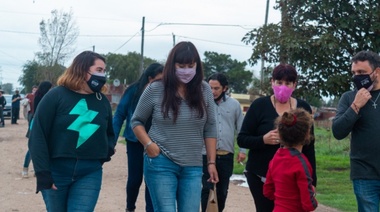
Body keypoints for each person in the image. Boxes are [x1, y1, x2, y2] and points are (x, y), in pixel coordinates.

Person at [131, 41, 219, 211]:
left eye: (190, 65)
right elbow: (136, 121)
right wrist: (149, 145)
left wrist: (211, 162)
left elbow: (210, 127)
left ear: (197, 66)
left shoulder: (204, 90)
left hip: (193, 165)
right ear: (172, 65)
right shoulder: (156, 88)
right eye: (181, 65)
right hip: (160, 162)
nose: (186, 70)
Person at [28, 51, 116, 211]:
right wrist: (42, 173)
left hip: (90, 172)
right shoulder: (55, 96)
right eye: (99, 70)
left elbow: (110, 132)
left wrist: (104, 154)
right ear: (82, 70)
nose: (103, 75)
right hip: (56, 171)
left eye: (104, 71)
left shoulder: (102, 101)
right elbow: (38, 135)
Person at [237, 63, 317, 212]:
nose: (283, 86)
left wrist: (313, 182)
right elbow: (242, 139)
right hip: (261, 176)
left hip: (293, 178)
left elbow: (310, 146)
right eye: (279, 82)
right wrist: (262, 140)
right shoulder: (259, 106)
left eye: (288, 83)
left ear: (295, 85)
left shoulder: (303, 108)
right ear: (272, 82)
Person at [332, 50, 380, 212]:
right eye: (354, 73)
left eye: (362, 72)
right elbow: (338, 132)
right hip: (364, 173)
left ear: (377, 72)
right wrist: (356, 106)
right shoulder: (348, 97)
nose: (357, 77)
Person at [113, 63, 163, 212]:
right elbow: (119, 115)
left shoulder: (164, 92)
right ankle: (130, 207)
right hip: (135, 141)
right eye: (159, 80)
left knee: (152, 180)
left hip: (156, 143)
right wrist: (112, 141)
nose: (162, 83)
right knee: (135, 179)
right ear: (149, 78)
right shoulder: (133, 91)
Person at [201, 72, 246, 212]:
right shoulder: (202, 103)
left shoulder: (234, 105)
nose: (212, 91)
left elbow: (241, 129)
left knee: (222, 191)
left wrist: (242, 150)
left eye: (216, 88)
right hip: (205, 155)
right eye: (210, 88)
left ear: (225, 88)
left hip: (226, 155)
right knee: (206, 189)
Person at [263, 108, 318, 212]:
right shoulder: (301, 163)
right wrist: (313, 198)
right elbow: (308, 205)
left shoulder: (276, 158)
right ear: (307, 134)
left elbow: (268, 191)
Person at [22, 81, 53, 178]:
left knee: (44, 149)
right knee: (32, 149)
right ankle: (25, 169)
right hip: (37, 125)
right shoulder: (40, 98)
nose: (51, 90)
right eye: (50, 88)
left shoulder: (48, 97)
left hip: (45, 125)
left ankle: (38, 170)